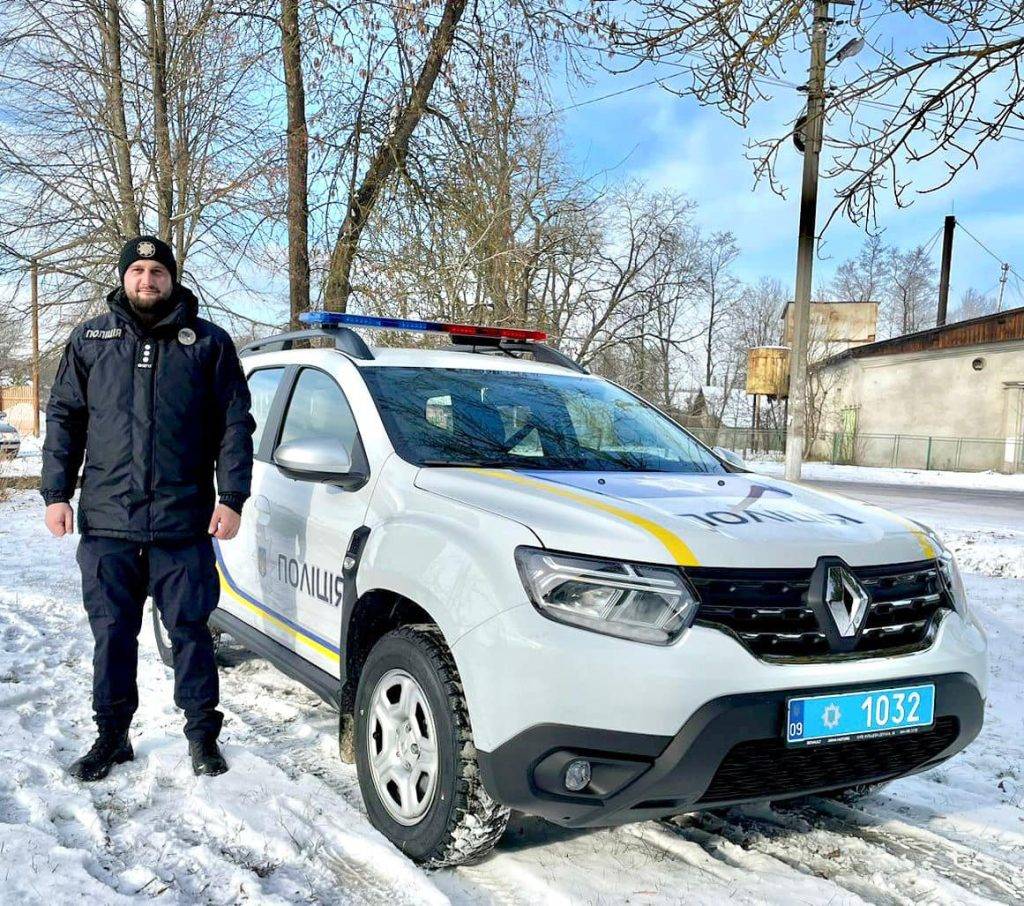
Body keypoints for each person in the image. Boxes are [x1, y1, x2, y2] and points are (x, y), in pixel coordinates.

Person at [41, 235, 256, 780]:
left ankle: (202, 736)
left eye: (156, 271)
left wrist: (231, 497)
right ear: (123, 277)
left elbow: (235, 426)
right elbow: (65, 418)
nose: (146, 280)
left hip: (182, 522)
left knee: (190, 631)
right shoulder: (91, 339)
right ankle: (111, 737)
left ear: (171, 278)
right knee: (112, 634)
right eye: (136, 270)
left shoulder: (208, 343)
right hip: (108, 524)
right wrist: (56, 493)